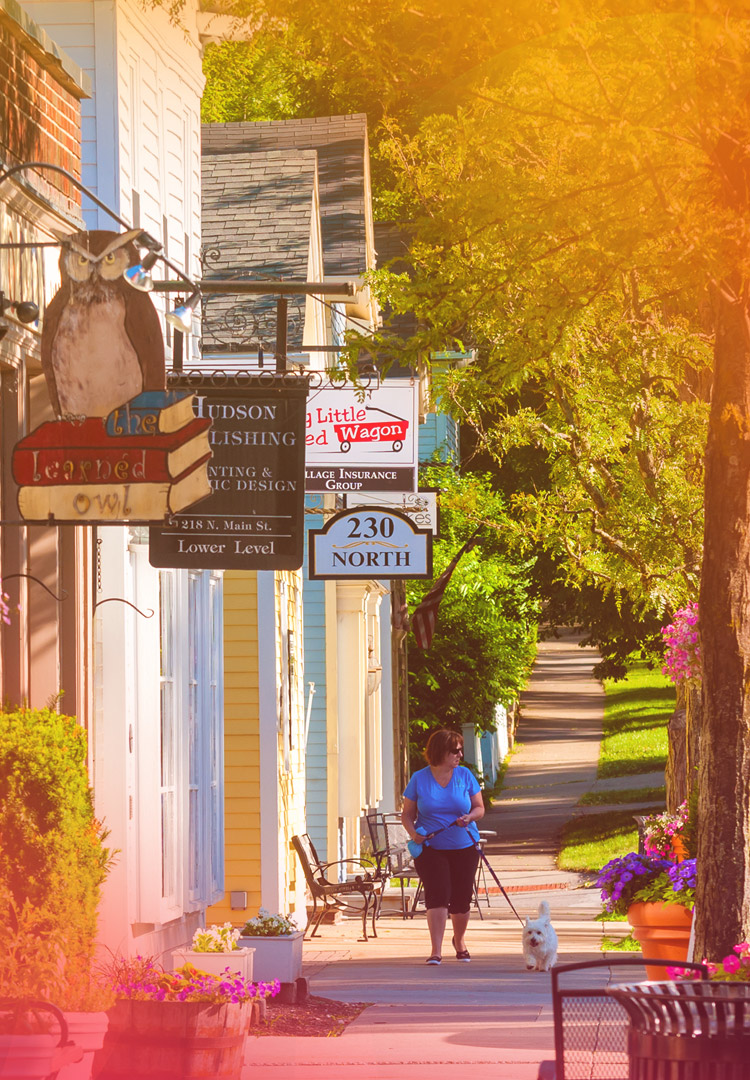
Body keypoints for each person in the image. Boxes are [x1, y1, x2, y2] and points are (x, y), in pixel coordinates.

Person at [401, 728, 485, 964]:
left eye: (460, 751)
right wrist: (414, 833)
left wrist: (469, 817)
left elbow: (480, 808)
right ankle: (436, 951)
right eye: (454, 751)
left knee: (461, 898)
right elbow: (406, 814)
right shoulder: (420, 778)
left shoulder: (465, 775)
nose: (459, 755)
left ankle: (459, 941)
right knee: (437, 895)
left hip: (464, 845)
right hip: (431, 848)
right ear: (440, 753)